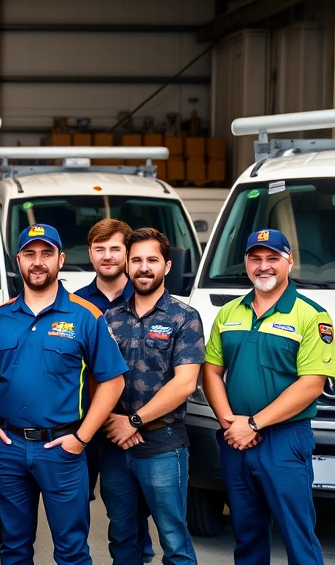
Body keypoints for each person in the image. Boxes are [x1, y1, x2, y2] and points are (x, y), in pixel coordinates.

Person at [0, 223, 127, 565]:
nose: (37, 262)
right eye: (29, 254)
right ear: (18, 261)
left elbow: (113, 381)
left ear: (60, 259)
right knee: (13, 547)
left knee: (71, 550)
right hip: (8, 447)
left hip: (63, 450)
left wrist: (82, 438)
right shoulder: (0, 317)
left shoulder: (86, 315)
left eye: (46, 254)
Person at [202, 228, 335, 565]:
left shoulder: (311, 315)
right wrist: (231, 423)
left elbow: (312, 384)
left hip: (284, 440)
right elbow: (211, 372)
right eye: (255, 258)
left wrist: (255, 424)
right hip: (236, 440)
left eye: (272, 258)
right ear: (246, 263)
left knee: (297, 536)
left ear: (289, 262)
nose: (263, 266)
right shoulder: (230, 312)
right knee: (246, 535)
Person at [101, 228, 203, 565]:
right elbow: (99, 377)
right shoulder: (109, 318)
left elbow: (185, 383)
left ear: (167, 266)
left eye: (152, 260)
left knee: (173, 537)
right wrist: (116, 424)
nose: (144, 267)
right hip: (116, 446)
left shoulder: (184, 317)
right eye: (137, 260)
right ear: (127, 266)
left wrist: (134, 421)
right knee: (122, 536)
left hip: (162, 444)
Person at [72, 219, 154, 564]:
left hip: (134, 424)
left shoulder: (148, 298)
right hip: (85, 424)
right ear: (90, 254)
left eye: (115, 249)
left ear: (128, 252)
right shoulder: (73, 303)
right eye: (99, 249)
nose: (108, 257)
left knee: (135, 506)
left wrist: (133, 419)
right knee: (75, 502)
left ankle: (140, 553)